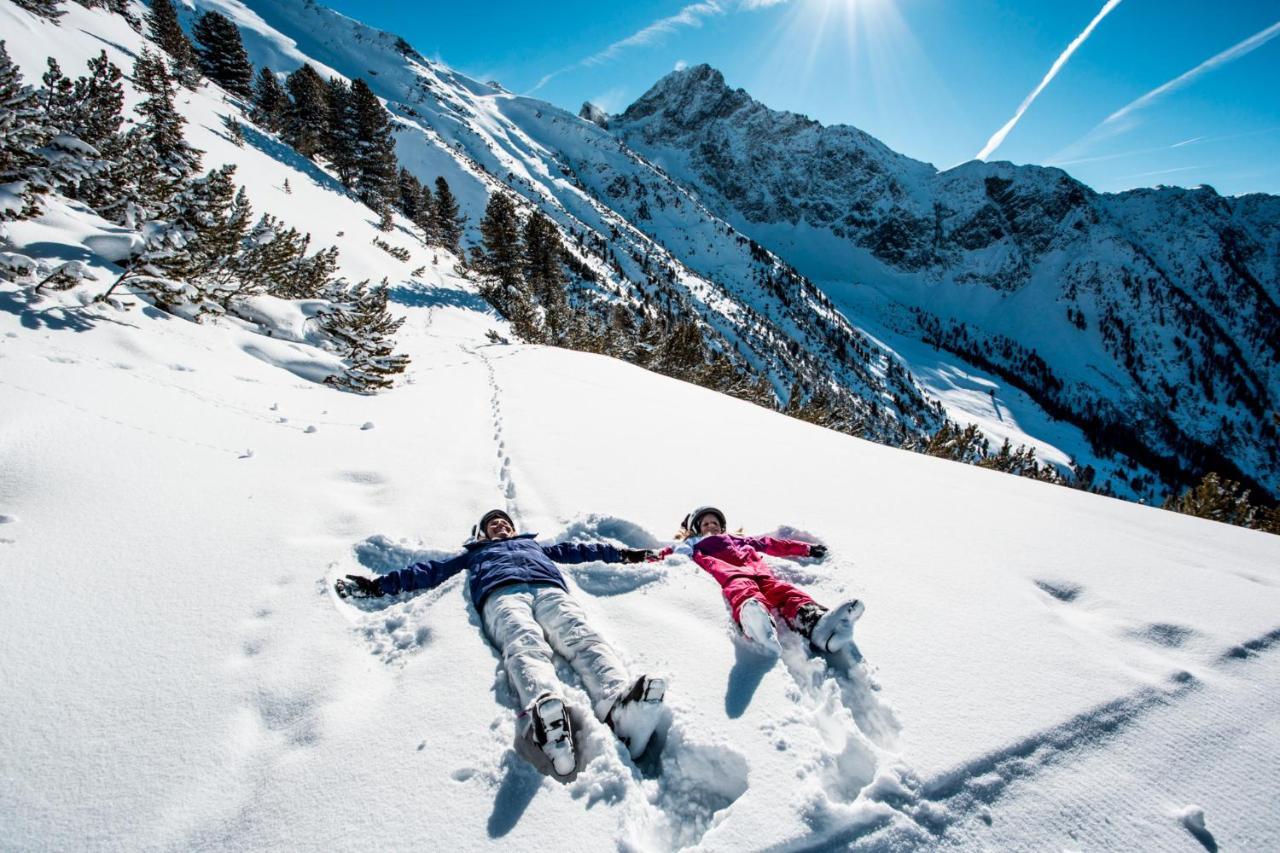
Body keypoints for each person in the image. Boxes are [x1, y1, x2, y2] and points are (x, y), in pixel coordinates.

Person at [336, 509, 666, 778]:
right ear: (483, 534)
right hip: (501, 594)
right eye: (494, 524)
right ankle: (547, 716)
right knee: (524, 644)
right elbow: (426, 572)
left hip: (549, 589)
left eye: (505, 523)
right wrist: (377, 586)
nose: (501, 526)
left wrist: (628, 555)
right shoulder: (473, 554)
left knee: (583, 637)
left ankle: (620, 705)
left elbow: (582, 550)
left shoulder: (535, 546)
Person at [672, 506, 864, 655]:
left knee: (786, 592)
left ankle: (817, 624)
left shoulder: (739, 540)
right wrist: (664, 554)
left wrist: (806, 549)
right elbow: (665, 554)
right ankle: (755, 622)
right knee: (744, 592)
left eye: (714, 523)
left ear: (722, 527)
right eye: (705, 524)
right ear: (697, 530)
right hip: (733, 575)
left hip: (762, 575)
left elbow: (773, 545)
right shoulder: (695, 546)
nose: (711, 526)